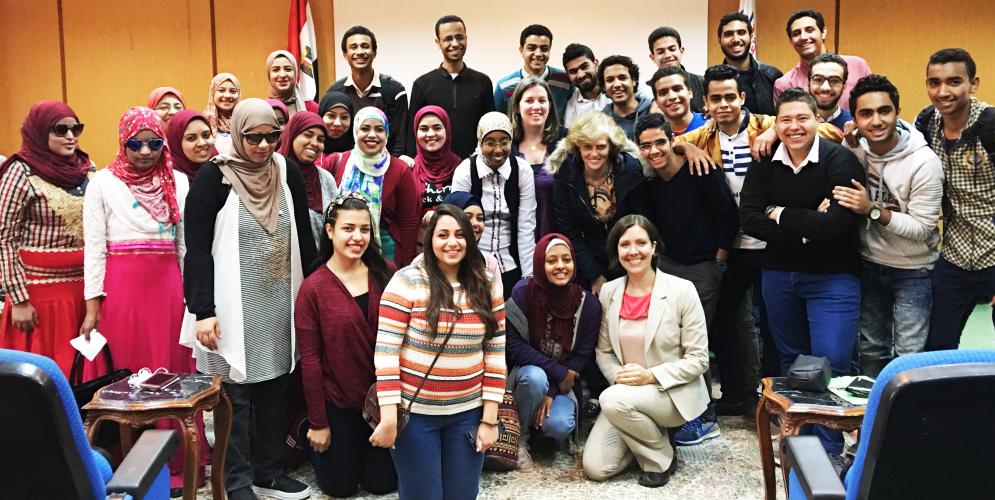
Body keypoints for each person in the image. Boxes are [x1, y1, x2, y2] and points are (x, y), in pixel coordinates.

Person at [183, 98, 316, 500]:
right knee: (235, 398)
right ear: (236, 134)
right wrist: (202, 310)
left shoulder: (285, 170)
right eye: (252, 137)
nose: (262, 146)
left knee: (275, 390)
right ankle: (234, 480)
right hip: (228, 306)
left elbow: (304, 239)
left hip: (277, 299)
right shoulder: (213, 178)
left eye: (271, 136)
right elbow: (198, 249)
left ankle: (269, 473)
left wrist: (314, 290)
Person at [740, 88, 866, 453]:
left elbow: (837, 225)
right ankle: (801, 445)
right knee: (791, 361)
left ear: (818, 120)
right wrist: (810, 227)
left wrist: (778, 213)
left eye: (802, 118)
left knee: (832, 362)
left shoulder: (839, 160)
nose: (794, 127)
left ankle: (827, 448)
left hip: (833, 277)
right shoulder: (764, 162)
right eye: (786, 120)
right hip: (778, 276)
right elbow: (749, 218)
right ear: (775, 124)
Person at [80, 107, 199, 492]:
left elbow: (184, 245)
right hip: (122, 288)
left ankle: (176, 458)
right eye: (135, 144)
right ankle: (123, 461)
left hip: (167, 285)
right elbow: (95, 247)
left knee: (168, 369)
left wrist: (191, 297)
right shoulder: (101, 182)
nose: (145, 152)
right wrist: (92, 303)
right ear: (122, 143)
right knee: (127, 371)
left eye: (153, 143)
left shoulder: (177, 180)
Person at [370, 204, 506, 500]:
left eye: (459, 234)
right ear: (430, 239)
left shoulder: (487, 284)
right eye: (442, 234)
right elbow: (386, 353)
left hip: (467, 415)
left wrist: (490, 419)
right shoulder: (407, 281)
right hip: (417, 416)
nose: (451, 242)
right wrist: (390, 416)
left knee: (462, 494)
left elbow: (495, 354)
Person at [582, 215, 710, 488]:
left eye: (641, 242)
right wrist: (619, 376)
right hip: (625, 393)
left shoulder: (682, 290)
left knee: (613, 401)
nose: (633, 251)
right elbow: (603, 352)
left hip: (670, 393)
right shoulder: (608, 292)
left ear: (654, 247)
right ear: (616, 250)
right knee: (596, 467)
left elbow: (698, 359)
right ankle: (645, 433)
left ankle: (661, 458)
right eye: (625, 244)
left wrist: (649, 376)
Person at [635, 113, 738, 440]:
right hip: (668, 268)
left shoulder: (701, 171)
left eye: (660, 143)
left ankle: (703, 415)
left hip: (704, 268)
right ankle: (678, 408)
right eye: (646, 146)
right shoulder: (651, 183)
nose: (654, 151)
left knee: (695, 343)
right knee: (671, 340)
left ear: (673, 141)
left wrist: (718, 263)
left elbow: (728, 217)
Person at [832, 75, 943, 376]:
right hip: (870, 264)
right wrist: (847, 141)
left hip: (915, 270)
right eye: (866, 113)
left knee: (908, 353)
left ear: (897, 111)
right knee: (871, 347)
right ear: (854, 118)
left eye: (884, 111)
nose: (876, 121)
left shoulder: (923, 162)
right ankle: (871, 417)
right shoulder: (855, 149)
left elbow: (922, 227)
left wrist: (871, 210)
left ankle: (905, 419)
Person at [296, 193, 397, 498]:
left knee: (383, 485)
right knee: (340, 488)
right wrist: (318, 422)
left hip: (384, 401)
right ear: (330, 231)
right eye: (348, 228)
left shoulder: (387, 274)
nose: (358, 237)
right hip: (338, 402)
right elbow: (310, 360)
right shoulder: (313, 288)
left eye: (365, 229)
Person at [0, 101, 93, 376]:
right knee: (45, 374)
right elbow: (4, 238)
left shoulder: (87, 169)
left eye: (76, 128)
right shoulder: (20, 171)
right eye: (60, 129)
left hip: (84, 291)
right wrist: (18, 300)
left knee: (84, 371)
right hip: (39, 296)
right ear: (40, 133)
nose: (70, 136)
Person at [915, 48, 995, 350]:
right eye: (934, 82)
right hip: (954, 257)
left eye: (953, 82)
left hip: (994, 253)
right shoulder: (926, 123)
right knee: (936, 347)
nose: (943, 91)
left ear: (973, 84)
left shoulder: (991, 124)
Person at [505, 233, 601, 451]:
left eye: (566, 260)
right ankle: (519, 440)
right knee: (535, 378)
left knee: (559, 425)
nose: (560, 266)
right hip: (528, 378)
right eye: (551, 261)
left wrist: (554, 391)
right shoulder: (523, 293)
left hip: (565, 383)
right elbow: (515, 347)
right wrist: (558, 372)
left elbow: (581, 356)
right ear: (540, 263)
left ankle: (537, 424)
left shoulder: (589, 305)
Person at [548, 111, 646, 293]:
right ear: (578, 147)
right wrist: (594, 275)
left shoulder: (630, 171)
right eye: (587, 147)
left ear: (611, 147)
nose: (594, 154)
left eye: (600, 147)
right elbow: (568, 228)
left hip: (630, 256)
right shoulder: (566, 175)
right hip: (588, 259)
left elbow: (640, 221)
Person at [451, 112, 537, 297]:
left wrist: (528, 275)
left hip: (511, 264)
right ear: (480, 142)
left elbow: (526, 224)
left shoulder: (522, 170)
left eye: (504, 142)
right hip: (472, 266)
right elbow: (456, 225)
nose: (498, 150)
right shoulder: (465, 171)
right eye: (490, 142)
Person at [327, 107, 419, 267]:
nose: (372, 135)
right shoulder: (339, 161)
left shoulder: (399, 170)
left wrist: (406, 267)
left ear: (387, 134)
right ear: (355, 131)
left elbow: (408, 223)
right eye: (365, 128)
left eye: (379, 129)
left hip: (385, 253)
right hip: (342, 250)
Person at [407, 15, 495, 159]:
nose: (454, 43)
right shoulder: (422, 84)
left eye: (459, 37)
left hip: (474, 165)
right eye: (448, 39)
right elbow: (413, 133)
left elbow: (490, 128)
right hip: (433, 170)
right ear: (438, 42)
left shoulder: (483, 82)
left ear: (466, 38)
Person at [328, 26, 408, 157]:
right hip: (348, 166)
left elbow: (400, 139)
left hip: (385, 164)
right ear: (345, 54)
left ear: (374, 52)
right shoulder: (335, 92)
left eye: (365, 46)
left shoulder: (394, 91)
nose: (359, 52)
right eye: (353, 47)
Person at [774, 8, 871, 110]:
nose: (803, 37)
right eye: (796, 33)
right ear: (791, 41)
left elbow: (873, 105)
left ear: (823, 32)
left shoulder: (857, 66)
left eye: (809, 30)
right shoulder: (783, 84)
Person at [508, 76, 566, 238]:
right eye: (529, 101)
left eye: (542, 100)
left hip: (558, 241)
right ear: (517, 107)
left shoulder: (565, 143)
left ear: (549, 106)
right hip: (517, 240)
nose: (536, 106)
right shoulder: (506, 148)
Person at [278, 111, 339, 246]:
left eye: (321, 139)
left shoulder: (325, 179)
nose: (314, 143)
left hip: (316, 263)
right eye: (308, 135)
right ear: (292, 135)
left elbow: (336, 224)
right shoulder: (274, 173)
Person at [493, 24, 572, 118]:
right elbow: (498, 124)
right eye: (531, 48)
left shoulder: (565, 80)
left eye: (544, 49)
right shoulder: (504, 86)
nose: (538, 54)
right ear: (521, 50)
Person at [411, 106, 462, 252]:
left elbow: (467, 211)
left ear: (447, 129)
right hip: (419, 250)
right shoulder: (409, 169)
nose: (431, 134)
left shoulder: (462, 169)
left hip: (453, 249)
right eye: (424, 129)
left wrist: (439, 213)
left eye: (437, 128)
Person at [716, 12, 781, 116]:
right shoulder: (711, 80)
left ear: (751, 37)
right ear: (719, 40)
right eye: (728, 34)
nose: (736, 39)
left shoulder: (772, 76)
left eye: (741, 33)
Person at [647, 26, 705, 112]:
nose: (667, 55)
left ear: (681, 51)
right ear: (652, 57)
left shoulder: (702, 83)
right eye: (660, 52)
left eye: (672, 49)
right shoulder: (646, 91)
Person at [599, 55, 652, 141]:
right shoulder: (600, 121)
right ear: (604, 87)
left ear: (634, 81)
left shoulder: (652, 110)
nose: (617, 84)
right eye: (610, 80)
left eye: (622, 78)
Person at [647, 67, 708, 136]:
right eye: (663, 93)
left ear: (690, 93)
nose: (672, 96)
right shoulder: (654, 137)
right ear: (656, 101)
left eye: (677, 89)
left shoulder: (712, 125)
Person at [562, 43, 611, 128]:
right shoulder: (571, 106)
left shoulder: (615, 91)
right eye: (573, 71)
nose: (580, 75)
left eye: (584, 66)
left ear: (596, 64)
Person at [166, 109, 217, 182]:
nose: (202, 143)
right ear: (176, 144)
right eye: (191, 138)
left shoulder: (225, 172)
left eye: (206, 135)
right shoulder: (168, 182)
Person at [266, 49, 319, 118]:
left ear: (295, 73)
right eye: (276, 70)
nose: (282, 75)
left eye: (288, 69)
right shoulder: (263, 108)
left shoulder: (311, 108)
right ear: (269, 75)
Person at [807, 53, 852, 132]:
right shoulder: (794, 124)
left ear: (844, 86)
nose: (825, 88)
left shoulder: (855, 125)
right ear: (808, 83)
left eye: (834, 81)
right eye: (818, 79)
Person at [203, 72, 241, 155]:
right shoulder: (203, 122)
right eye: (221, 90)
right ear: (212, 93)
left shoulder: (244, 120)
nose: (227, 95)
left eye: (233, 91)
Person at [317, 90, 355, 156]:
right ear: (321, 115)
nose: (337, 123)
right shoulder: (311, 147)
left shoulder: (359, 151)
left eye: (344, 117)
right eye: (331, 116)